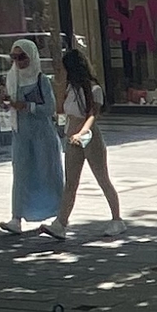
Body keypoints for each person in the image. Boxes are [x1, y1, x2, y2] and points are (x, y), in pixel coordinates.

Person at [50, 40, 122, 237]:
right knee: (71, 182)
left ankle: (117, 218)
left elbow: (92, 114)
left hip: (89, 136)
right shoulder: (70, 89)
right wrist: (60, 86)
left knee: (102, 178)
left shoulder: (93, 89)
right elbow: (59, 110)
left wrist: (82, 133)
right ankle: (61, 223)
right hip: (71, 137)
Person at [3, 39, 66, 233]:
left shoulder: (41, 80)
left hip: (42, 134)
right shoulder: (11, 78)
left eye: (22, 57)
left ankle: (60, 216)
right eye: (14, 57)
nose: (18, 62)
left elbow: (50, 108)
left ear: (31, 56)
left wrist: (27, 106)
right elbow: (10, 103)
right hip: (20, 133)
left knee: (48, 173)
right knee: (20, 174)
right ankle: (16, 217)